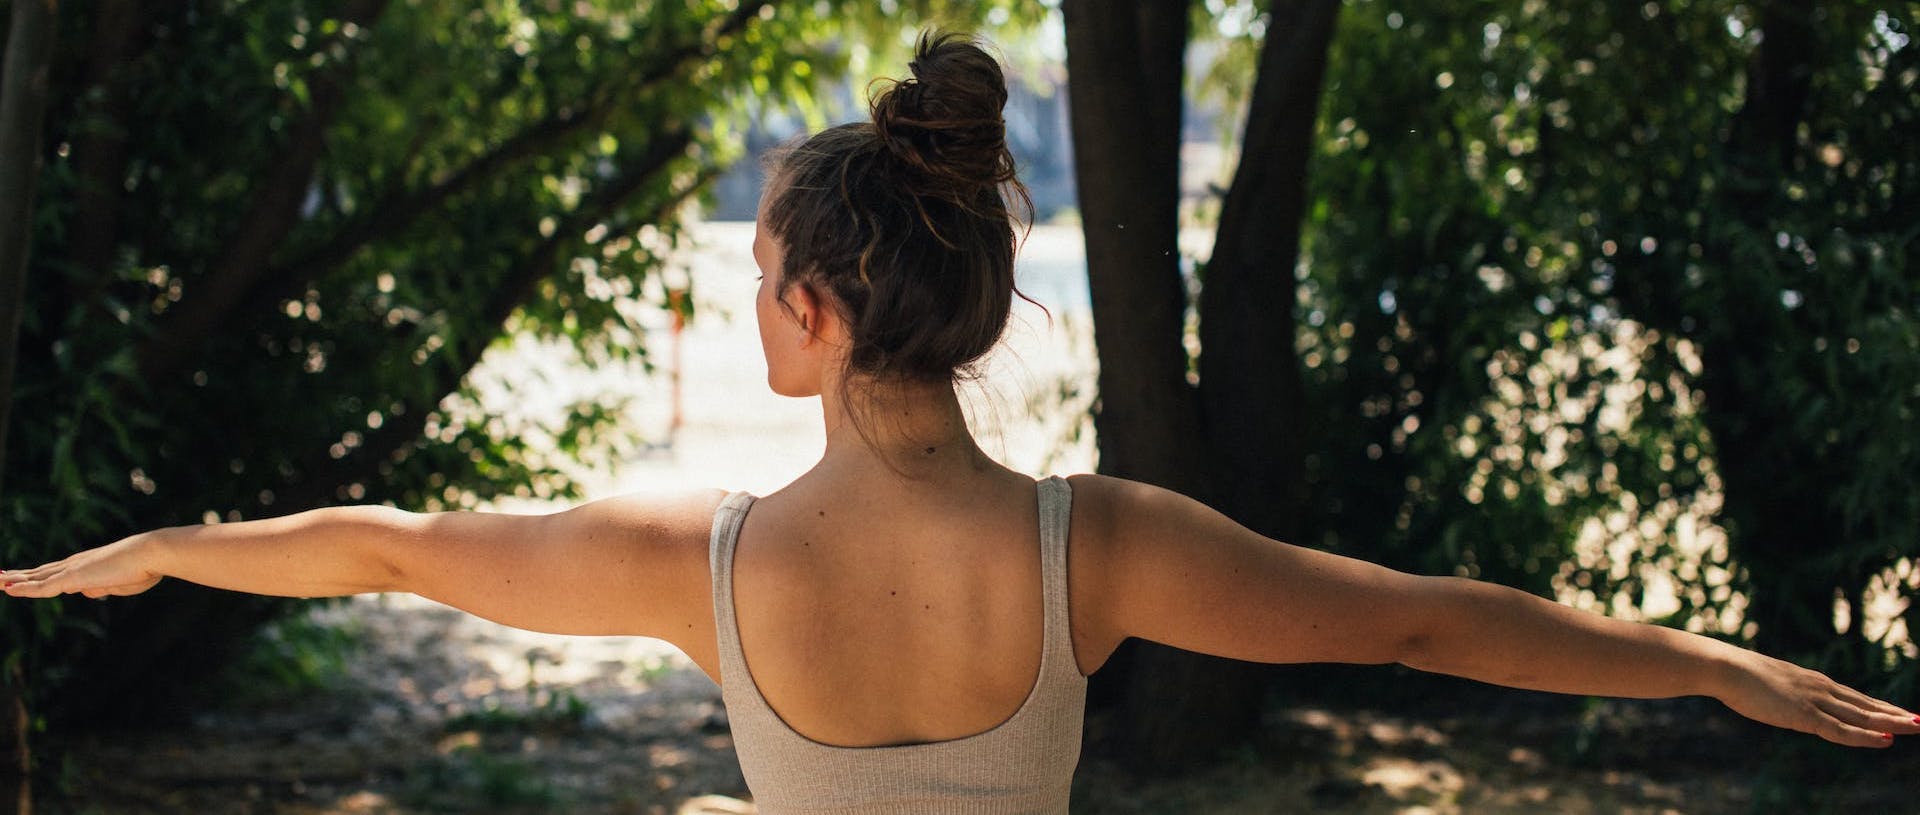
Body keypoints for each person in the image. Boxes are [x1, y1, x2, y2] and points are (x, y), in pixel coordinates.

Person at [3, 31, 1914, 815]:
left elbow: (398, 548)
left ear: (821, 315)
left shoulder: (701, 565)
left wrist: (158, 548)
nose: (753, 303)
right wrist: (1705, 665)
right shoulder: (1107, 551)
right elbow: (1422, 617)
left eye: (763, 278)